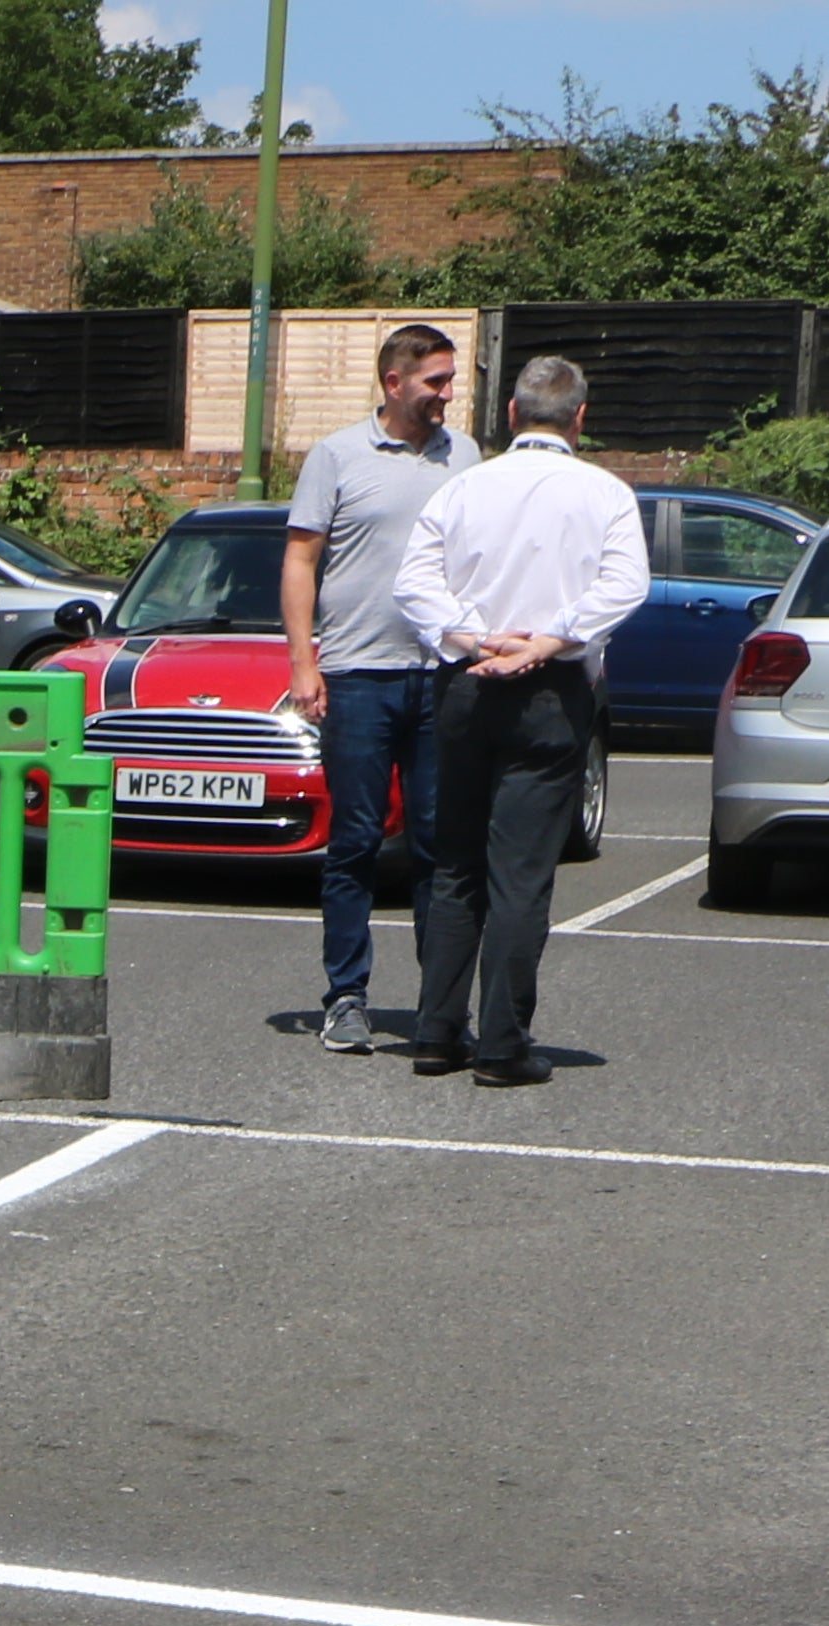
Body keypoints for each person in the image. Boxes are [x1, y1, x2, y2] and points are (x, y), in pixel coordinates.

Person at [389, 355, 647, 1087]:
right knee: (521, 876)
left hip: (466, 683)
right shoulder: (604, 492)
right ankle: (503, 1044)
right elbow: (627, 584)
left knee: (455, 867)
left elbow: (414, 583)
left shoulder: (465, 486)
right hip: (551, 690)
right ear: (580, 418)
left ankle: (437, 1033)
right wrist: (549, 639)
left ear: (509, 415)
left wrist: (473, 637)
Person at [279, 323, 477, 1054]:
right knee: (356, 842)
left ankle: (441, 1005)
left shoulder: (468, 458)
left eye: (451, 380)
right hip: (358, 676)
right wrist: (306, 663)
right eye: (435, 381)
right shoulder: (337, 455)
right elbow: (301, 561)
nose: (447, 395)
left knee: (438, 846)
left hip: (441, 677)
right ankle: (346, 997)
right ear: (394, 383)